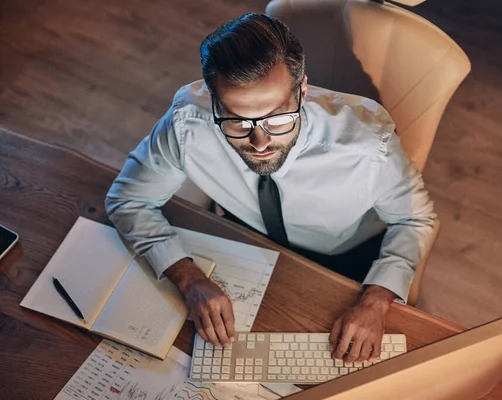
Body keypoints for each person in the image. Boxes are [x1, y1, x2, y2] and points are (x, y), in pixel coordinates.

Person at [105, 13, 435, 365]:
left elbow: (415, 221)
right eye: (237, 120)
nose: (260, 142)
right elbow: (128, 199)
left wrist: (376, 300)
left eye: (278, 117)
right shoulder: (188, 122)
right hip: (244, 243)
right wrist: (187, 278)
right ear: (214, 102)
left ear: (303, 91)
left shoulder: (368, 142)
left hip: (345, 261)